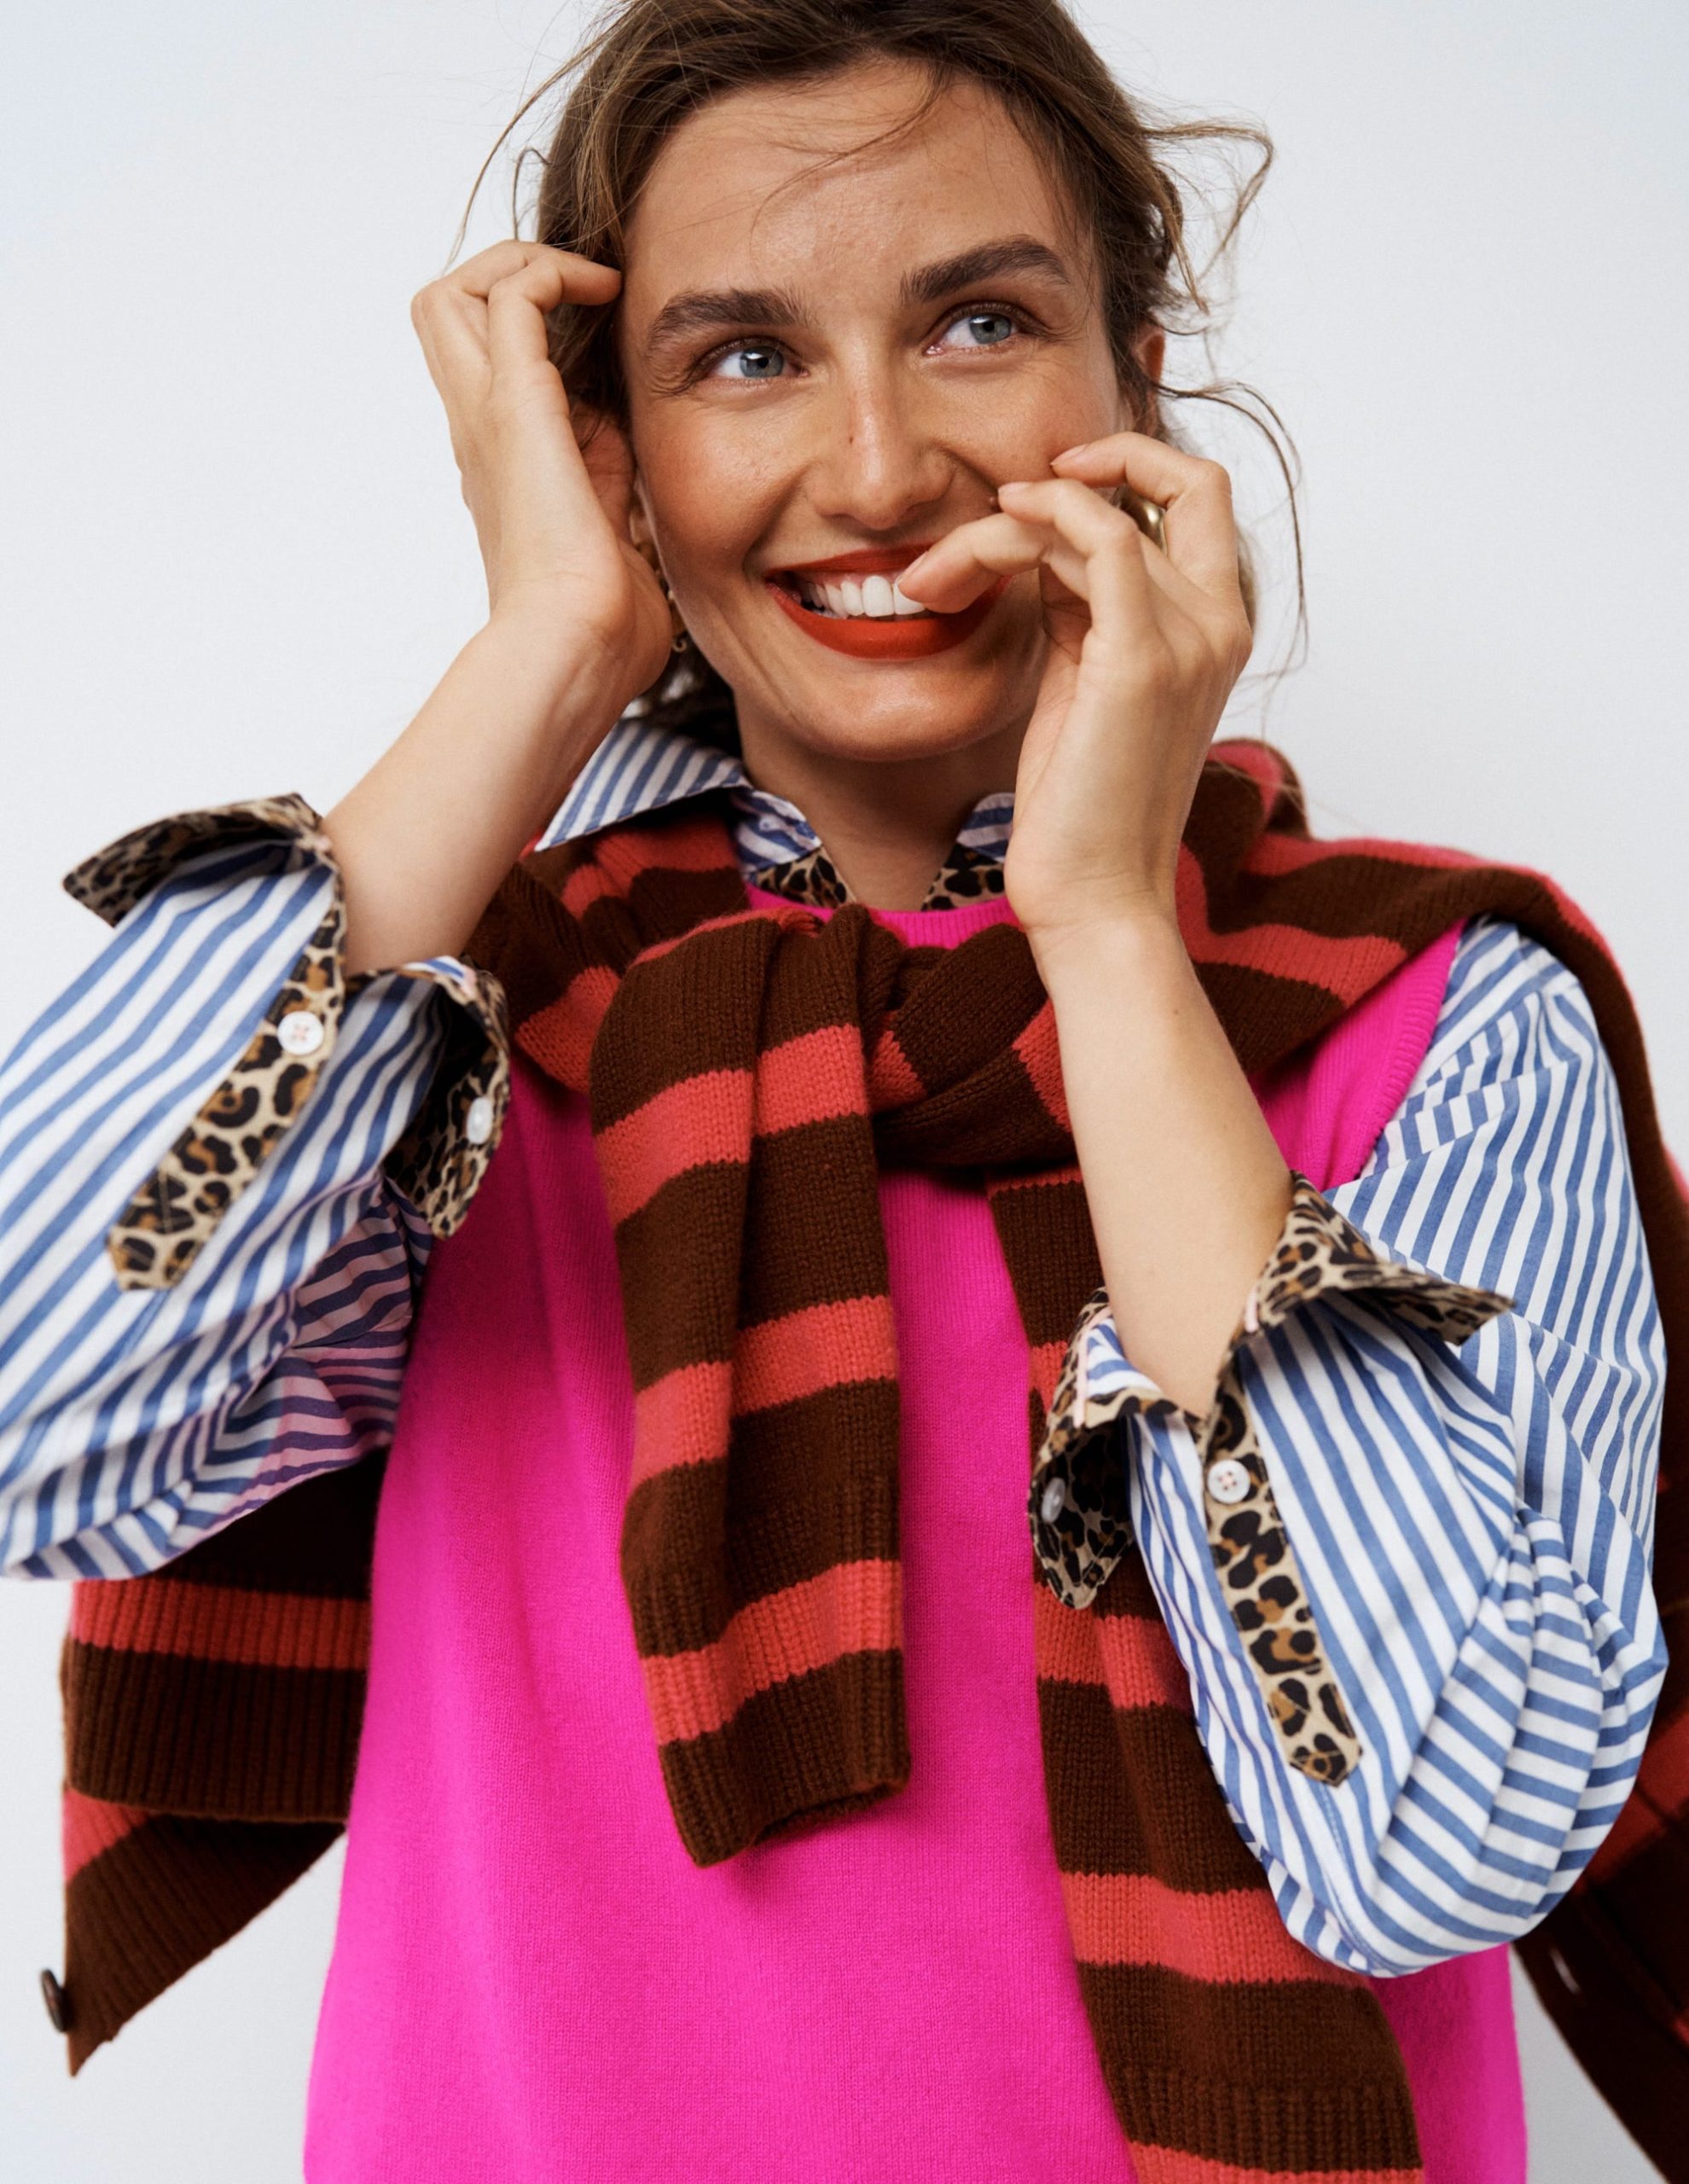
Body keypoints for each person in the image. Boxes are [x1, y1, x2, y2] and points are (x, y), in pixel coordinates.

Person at [2, 3, 1685, 2180]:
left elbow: (1444, 1830)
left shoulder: (1434, 1012)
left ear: (1135, 378)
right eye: (741, 357)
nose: (881, 468)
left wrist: (1105, 926)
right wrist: (540, 650)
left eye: (980, 322)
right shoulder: (457, 1032)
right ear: (609, 450)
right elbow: (40, 1415)